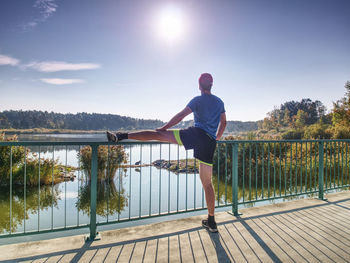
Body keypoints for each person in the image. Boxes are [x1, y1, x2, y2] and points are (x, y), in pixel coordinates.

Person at [107, 73, 226, 232]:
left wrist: (165, 128)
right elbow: (224, 122)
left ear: (199, 85)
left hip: (195, 135)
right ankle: (211, 221)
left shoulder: (197, 100)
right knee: (208, 183)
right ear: (211, 85)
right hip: (209, 142)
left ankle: (120, 136)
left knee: (157, 135)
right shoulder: (219, 102)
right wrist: (217, 137)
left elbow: (181, 115)